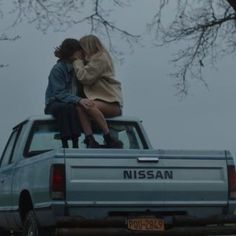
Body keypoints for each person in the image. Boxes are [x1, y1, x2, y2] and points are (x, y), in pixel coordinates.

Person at [72, 35, 123, 148]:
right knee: (80, 107)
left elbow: (85, 77)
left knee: (88, 105)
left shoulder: (101, 58)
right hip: (101, 102)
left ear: (87, 46)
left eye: (82, 48)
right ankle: (90, 139)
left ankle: (108, 137)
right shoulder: (92, 61)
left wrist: (77, 61)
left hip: (110, 102)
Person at [44, 38, 94, 148]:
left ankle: (80, 141)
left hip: (72, 103)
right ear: (74, 53)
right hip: (55, 103)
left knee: (74, 108)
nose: (82, 53)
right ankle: (66, 143)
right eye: (79, 51)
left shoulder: (80, 67)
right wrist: (79, 100)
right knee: (67, 107)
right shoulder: (58, 69)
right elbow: (59, 93)